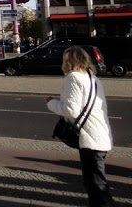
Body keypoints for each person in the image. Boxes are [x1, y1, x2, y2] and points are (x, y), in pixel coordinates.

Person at [45, 46, 114, 207]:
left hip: (90, 138)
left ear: (70, 61)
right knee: (96, 181)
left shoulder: (73, 78)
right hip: (100, 134)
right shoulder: (92, 77)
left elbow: (71, 111)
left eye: (65, 59)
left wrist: (51, 103)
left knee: (96, 184)